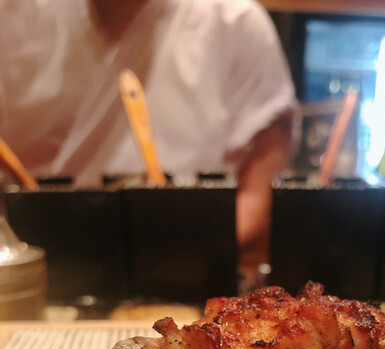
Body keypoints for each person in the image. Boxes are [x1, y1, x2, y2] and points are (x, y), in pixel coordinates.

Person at [0, 0, 297, 275]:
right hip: (30, 270)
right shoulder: (12, 16)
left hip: (193, 274)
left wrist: (184, 259)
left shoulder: (234, 21)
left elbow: (261, 194)